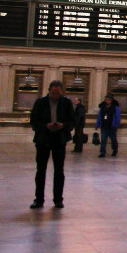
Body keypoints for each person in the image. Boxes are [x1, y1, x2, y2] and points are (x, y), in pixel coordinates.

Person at [29, 81, 75, 209]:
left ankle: (58, 199)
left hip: (59, 139)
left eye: (57, 94)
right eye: (53, 93)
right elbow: (33, 121)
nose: (55, 96)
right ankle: (39, 199)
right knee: (41, 170)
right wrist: (45, 126)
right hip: (43, 139)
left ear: (61, 92)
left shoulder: (66, 103)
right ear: (49, 90)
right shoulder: (40, 102)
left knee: (59, 170)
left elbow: (72, 121)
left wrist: (63, 126)